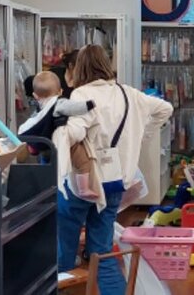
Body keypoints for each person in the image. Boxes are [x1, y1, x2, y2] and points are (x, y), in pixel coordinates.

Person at [53, 44, 173, 295]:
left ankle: (60, 287)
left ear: (80, 67)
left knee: (63, 248)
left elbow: (76, 131)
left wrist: (56, 128)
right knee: (103, 251)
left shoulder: (81, 95)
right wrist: (144, 135)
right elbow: (165, 108)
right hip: (114, 183)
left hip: (82, 183)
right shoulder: (130, 94)